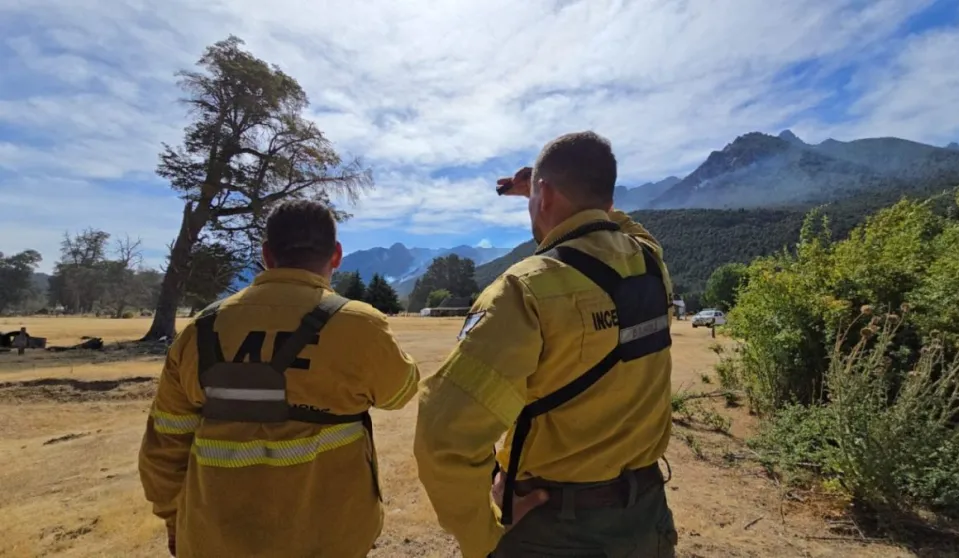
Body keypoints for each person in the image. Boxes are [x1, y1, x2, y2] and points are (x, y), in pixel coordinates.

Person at [414, 131, 679, 557]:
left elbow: (443, 438)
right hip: (648, 521)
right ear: (607, 198)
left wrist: (483, 537)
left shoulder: (523, 289)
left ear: (545, 193)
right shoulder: (650, 264)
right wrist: (553, 191)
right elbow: (619, 222)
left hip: (556, 530)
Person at [138, 199, 421, 558]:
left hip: (214, 540)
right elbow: (399, 395)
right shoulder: (360, 325)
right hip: (331, 538)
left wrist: (173, 517)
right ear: (336, 255)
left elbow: (163, 448)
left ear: (266, 255)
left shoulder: (200, 329)